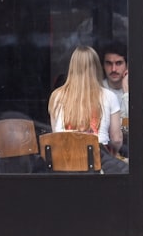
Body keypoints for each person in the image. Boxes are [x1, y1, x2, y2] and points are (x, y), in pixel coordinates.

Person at [48, 45, 128, 173]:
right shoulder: (108, 96)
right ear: (97, 67)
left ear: (72, 67)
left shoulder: (56, 96)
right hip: (98, 161)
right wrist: (112, 156)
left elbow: (56, 134)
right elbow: (117, 139)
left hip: (63, 161)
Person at [100, 43, 129, 157]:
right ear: (103, 65)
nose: (113, 69)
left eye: (118, 63)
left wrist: (126, 90)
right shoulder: (98, 90)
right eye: (109, 63)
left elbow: (138, 124)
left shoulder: (137, 90)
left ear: (127, 66)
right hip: (108, 152)